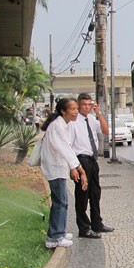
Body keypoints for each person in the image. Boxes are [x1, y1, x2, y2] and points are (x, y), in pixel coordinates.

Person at [40, 98, 88, 249]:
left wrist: (74, 167)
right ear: (63, 111)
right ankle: (54, 237)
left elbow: (65, 148)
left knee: (62, 202)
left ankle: (59, 232)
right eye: (73, 109)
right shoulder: (57, 126)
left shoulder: (62, 125)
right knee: (60, 203)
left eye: (76, 108)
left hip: (57, 167)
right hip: (54, 168)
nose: (76, 112)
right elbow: (64, 149)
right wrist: (79, 168)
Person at [68, 93, 114, 239]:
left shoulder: (92, 119)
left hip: (92, 160)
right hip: (80, 160)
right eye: (84, 105)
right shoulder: (73, 122)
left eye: (89, 105)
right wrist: (73, 167)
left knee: (95, 193)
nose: (87, 108)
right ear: (78, 105)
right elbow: (68, 145)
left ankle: (97, 223)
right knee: (82, 195)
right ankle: (84, 228)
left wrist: (98, 113)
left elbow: (106, 131)